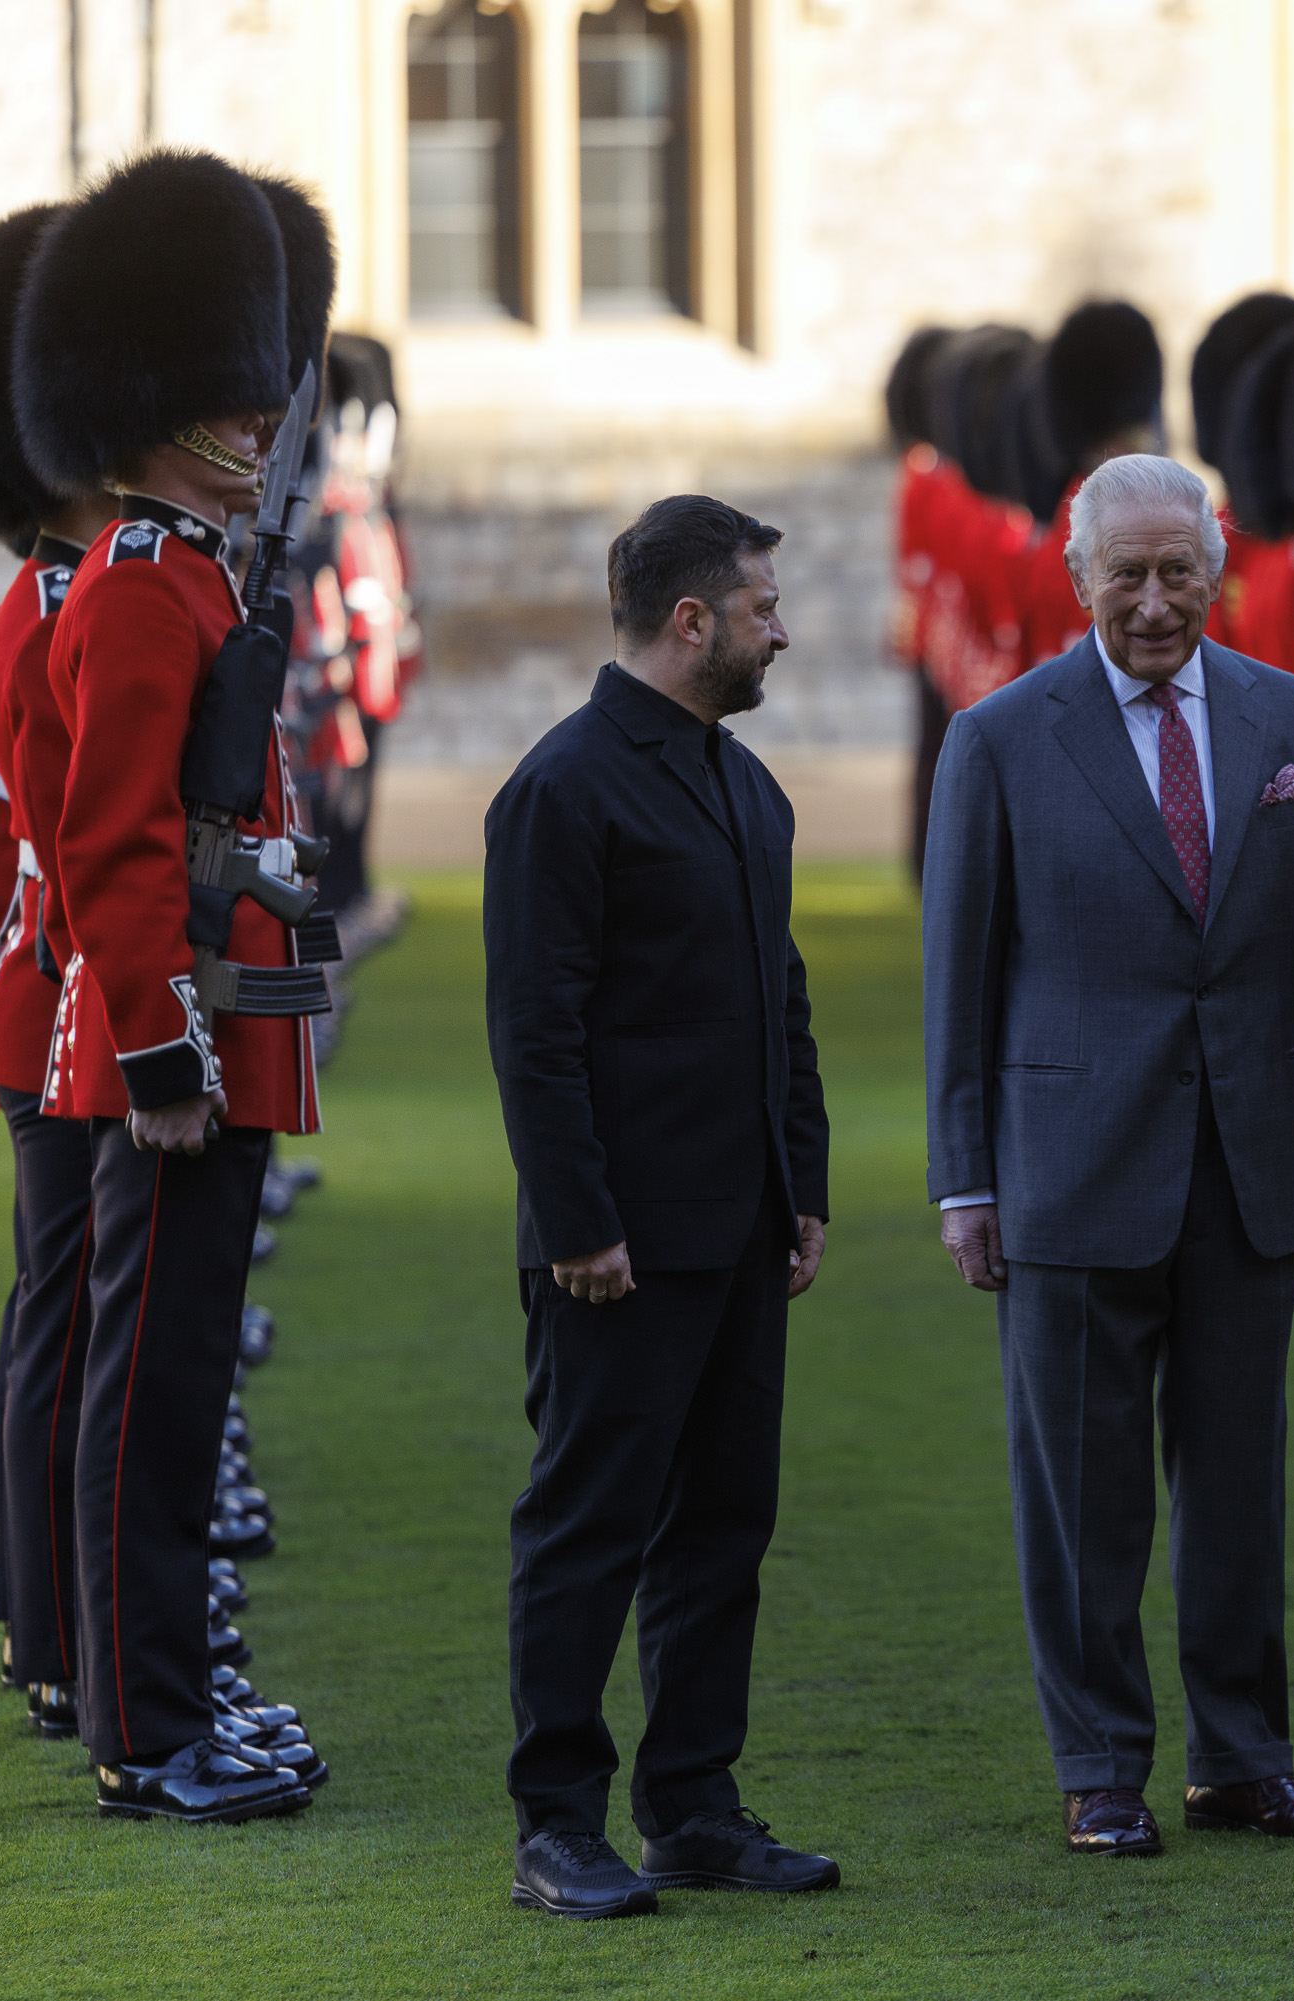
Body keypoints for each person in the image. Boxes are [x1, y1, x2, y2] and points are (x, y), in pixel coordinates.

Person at [921, 452, 1294, 1859]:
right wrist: (966, 1180)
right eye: (1122, 574)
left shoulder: (1293, 715)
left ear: (1216, 566)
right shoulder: (1000, 737)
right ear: (1079, 579)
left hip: (1244, 1160)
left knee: (1239, 1483)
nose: (1151, 600)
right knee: (1085, 1492)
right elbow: (962, 978)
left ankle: (1244, 1757)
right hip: (1067, 1165)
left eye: (1176, 571)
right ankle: (1101, 1765)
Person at [11, 150, 339, 1824]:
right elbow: (114, 846)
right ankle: (144, 1729)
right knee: (147, 1397)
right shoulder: (144, 584)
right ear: (176, 402)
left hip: (221, 1046)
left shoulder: (195, 570)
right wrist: (162, 1055)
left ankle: (180, 1691)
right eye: (241, 387)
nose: (266, 410)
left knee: (187, 1383)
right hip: (169, 1054)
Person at [482, 495, 836, 1918]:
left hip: (739, 1231)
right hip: (615, 1249)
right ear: (690, 621)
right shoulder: (565, 788)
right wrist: (577, 1221)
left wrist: (800, 1186)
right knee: (589, 1530)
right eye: (760, 607)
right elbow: (535, 1028)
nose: (780, 629)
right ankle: (556, 1821)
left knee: (721, 1529)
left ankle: (692, 1802)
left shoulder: (747, 787)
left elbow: (782, 1004)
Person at [0, 198, 117, 1709]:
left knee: (52, 1310)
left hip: (49, 990)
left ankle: (36, 1614)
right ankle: (60, 1639)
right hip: (61, 997)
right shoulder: (47, 613)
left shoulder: (45, 601)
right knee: (65, 1322)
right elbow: (32, 849)